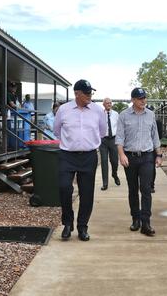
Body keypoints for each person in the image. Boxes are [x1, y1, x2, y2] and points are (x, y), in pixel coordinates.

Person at [53, 79, 107, 241]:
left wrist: (87, 142)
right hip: (67, 156)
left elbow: (102, 132)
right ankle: (67, 224)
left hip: (89, 156)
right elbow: (57, 131)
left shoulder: (98, 111)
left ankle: (82, 227)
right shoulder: (63, 110)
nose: (90, 96)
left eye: (91, 92)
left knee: (86, 193)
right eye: (87, 93)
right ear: (77, 94)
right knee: (64, 188)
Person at [116, 87, 162, 237]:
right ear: (133, 100)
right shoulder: (123, 115)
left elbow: (155, 136)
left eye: (144, 98)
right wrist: (121, 154)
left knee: (146, 189)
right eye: (140, 98)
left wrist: (159, 154)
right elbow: (120, 137)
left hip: (147, 157)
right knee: (133, 189)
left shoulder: (150, 115)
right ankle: (135, 219)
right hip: (130, 157)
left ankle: (146, 222)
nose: (143, 101)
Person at [99, 97, 120, 190]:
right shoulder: (99, 115)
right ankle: (105, 183)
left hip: (113, 140)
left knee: (114, 161)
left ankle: (114, 174)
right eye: (107, 103)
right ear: (103, 104)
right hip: (103, 140)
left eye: (110, 103)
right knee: (104, 161)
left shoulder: (116, 114)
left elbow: (120, 127)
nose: (109, 104)